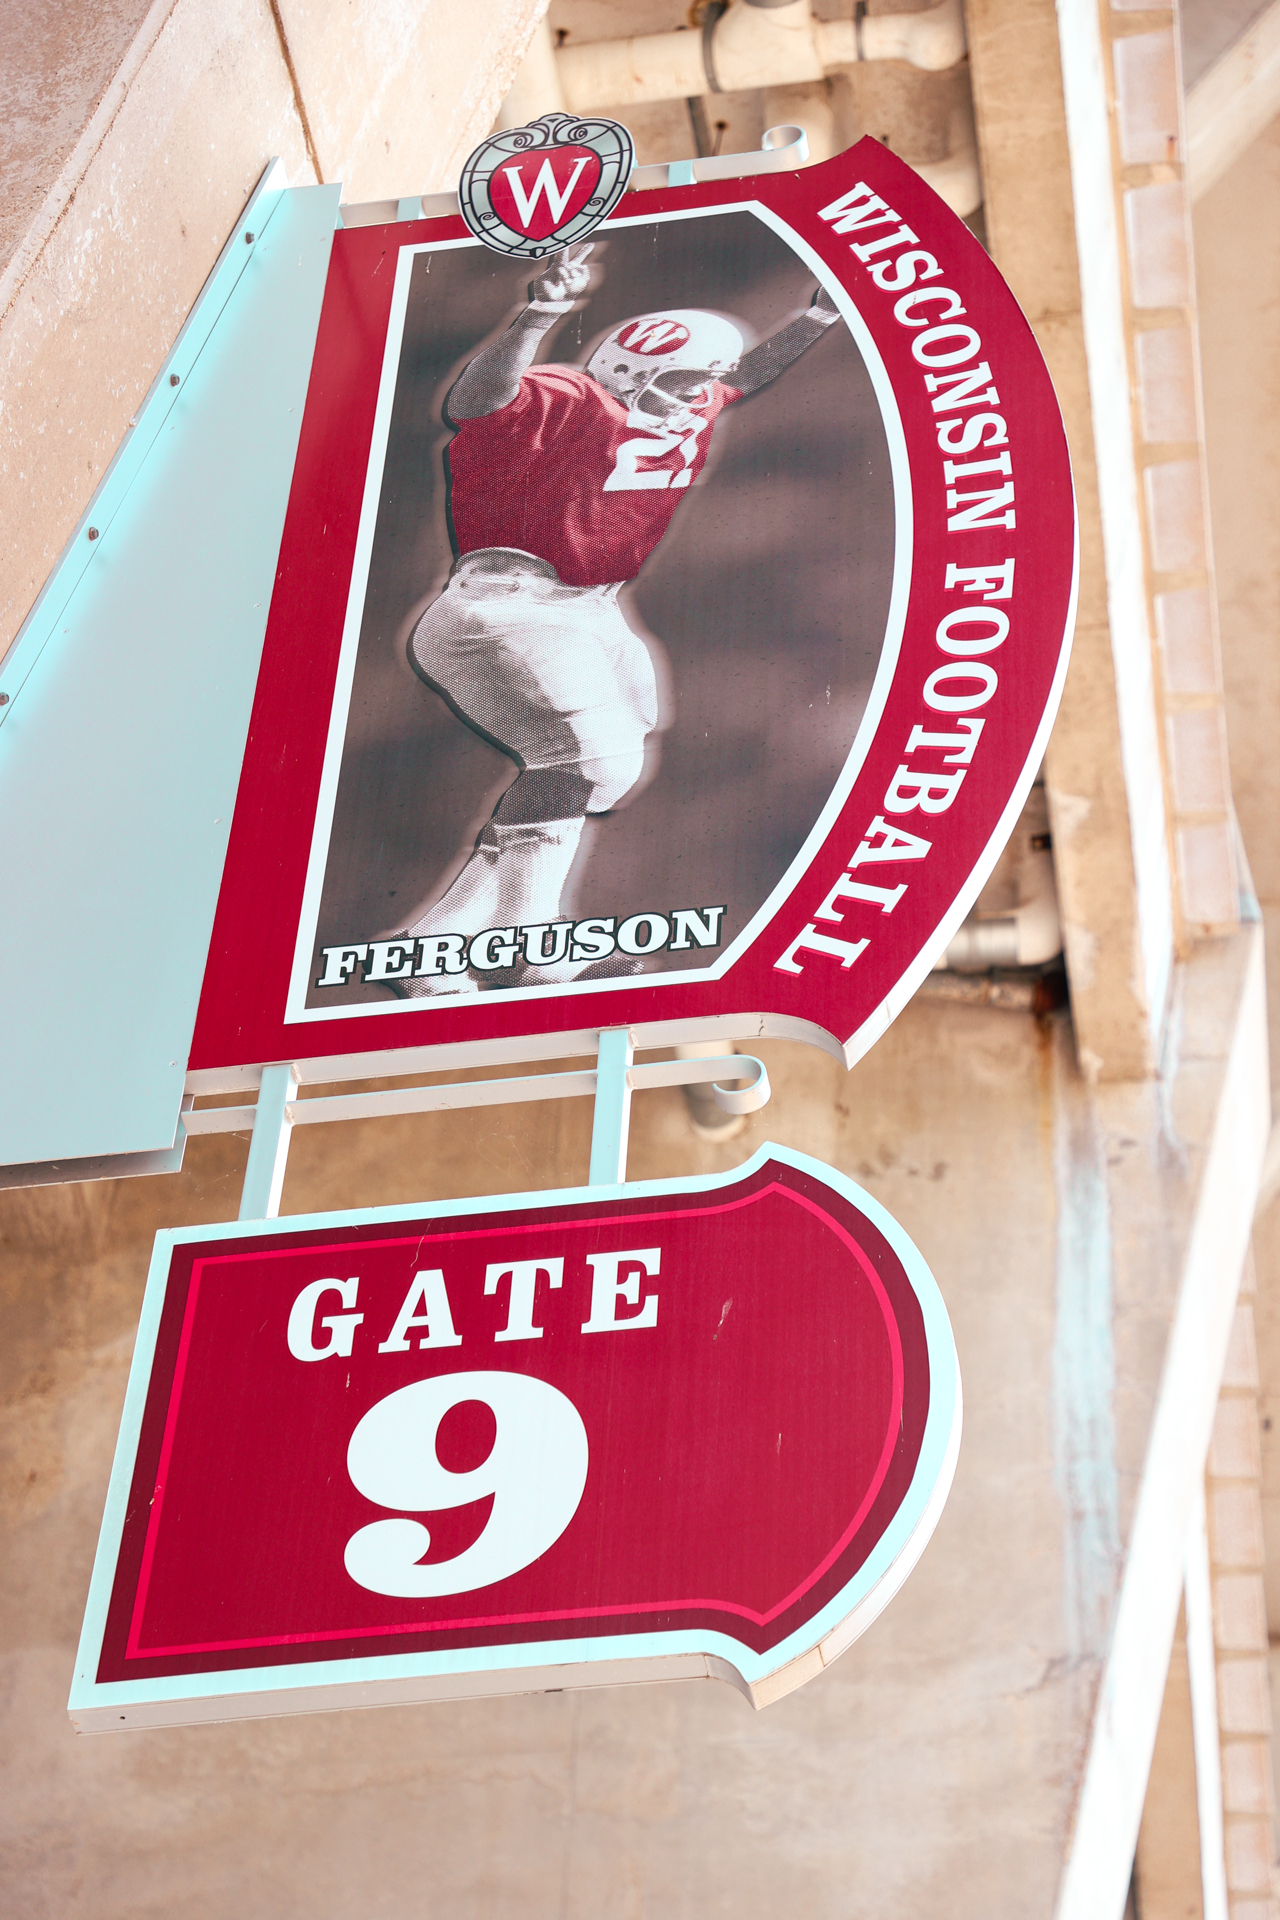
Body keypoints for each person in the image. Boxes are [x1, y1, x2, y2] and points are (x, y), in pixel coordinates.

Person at [393, 240, 842, 996]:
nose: (698, 394)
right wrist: (538, 315)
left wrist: (818, 318)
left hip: (582, 612)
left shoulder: (690, 403)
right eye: (683, 380)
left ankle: (436, 942)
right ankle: (535, 948)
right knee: (589, 756)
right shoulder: (570, 401)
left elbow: (742, 375)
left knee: (610, 765)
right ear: (632, 375)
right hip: (505, 603)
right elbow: (476, 402)